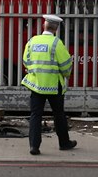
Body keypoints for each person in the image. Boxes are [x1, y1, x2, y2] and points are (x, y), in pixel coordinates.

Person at [21, 14, 76, 155]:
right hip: (53, 85)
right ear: (56, 29)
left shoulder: (32, 41)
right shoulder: (56, 43)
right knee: (58, 114)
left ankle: (34, 146)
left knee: (35, 115)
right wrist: (66, 74)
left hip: (36, 84)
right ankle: (64, 143)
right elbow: (65, 64)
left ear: (43, 26)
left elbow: (26, 61)